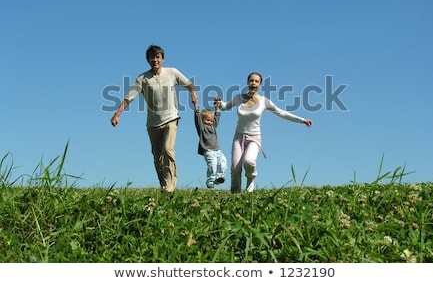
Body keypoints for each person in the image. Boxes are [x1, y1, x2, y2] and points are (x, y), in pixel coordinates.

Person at [110, 44, 198, 193]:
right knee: (157, 156)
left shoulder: (172, 72)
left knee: (168, 150)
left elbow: (189, 84)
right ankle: (164, 185)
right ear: (148, 60)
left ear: (162, 59)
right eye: (152, 57)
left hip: (171, 118)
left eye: (158, 57)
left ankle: (170, 186)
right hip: (153, 123)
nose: (155, 60)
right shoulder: (142, 79)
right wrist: (117, 114)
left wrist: (193, 93)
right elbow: (129, 98)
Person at [216, 72, 312, 193]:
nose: (253, 83)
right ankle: (235, 194)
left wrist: (301, 120)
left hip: (254, 138)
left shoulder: (264, 101)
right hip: (238, 137)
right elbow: (225, 106)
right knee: (235, 168)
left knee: (249, 161)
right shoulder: (238, 98)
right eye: (251, 81)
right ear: (247, 82)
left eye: (256, 81)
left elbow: (281, 112)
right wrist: (219, 103)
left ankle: (250, 180)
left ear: (260, 85)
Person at [193, 100, 227, 189]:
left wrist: (217, 109)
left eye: (211, 121)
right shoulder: (201, 128)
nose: (210, 122)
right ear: (202, 120)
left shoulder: (213, 127)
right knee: (213, 165)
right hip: (208, 151)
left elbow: (217, 118)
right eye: (207, 120)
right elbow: (197, 118)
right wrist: (196, 105)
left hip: (218, 150)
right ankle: (210, 181)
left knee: (223, 162)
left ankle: (219, 177)